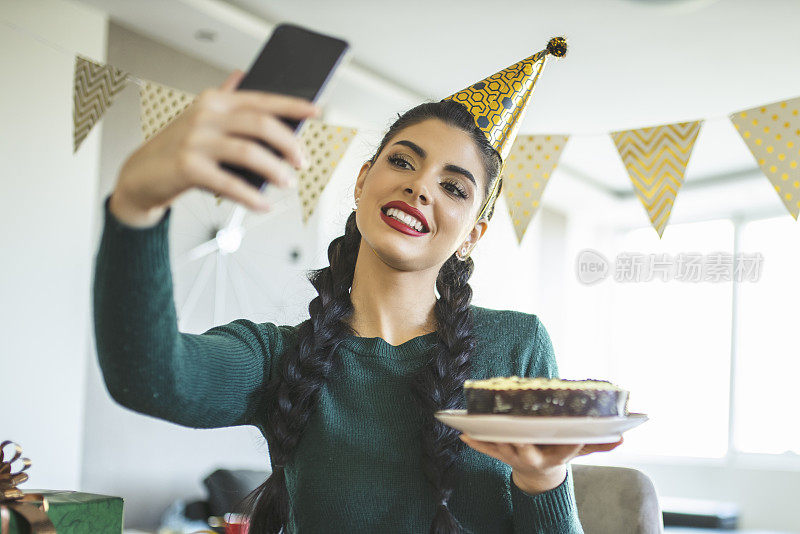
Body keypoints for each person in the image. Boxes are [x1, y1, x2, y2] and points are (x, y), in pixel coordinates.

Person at [93, 39, 622, 534]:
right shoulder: (282, 356)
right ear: (363, 179)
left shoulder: (518, 348)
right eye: (402, 161)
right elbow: (150, 376)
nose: (420, 186)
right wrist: (137, 207)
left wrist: (543, 480)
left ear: (471, 236)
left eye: (453, 187)